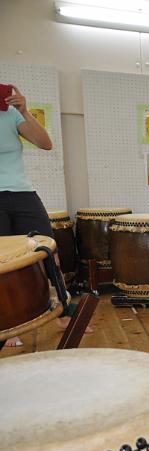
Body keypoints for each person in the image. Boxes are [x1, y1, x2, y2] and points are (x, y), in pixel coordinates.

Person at [1, 83, 54, 347]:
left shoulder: (10, 113)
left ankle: (63, 310)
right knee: (4, 263)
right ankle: (10, 323)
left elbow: (45, 144)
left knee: (47, 249)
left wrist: (24, 111)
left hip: (22, 192)